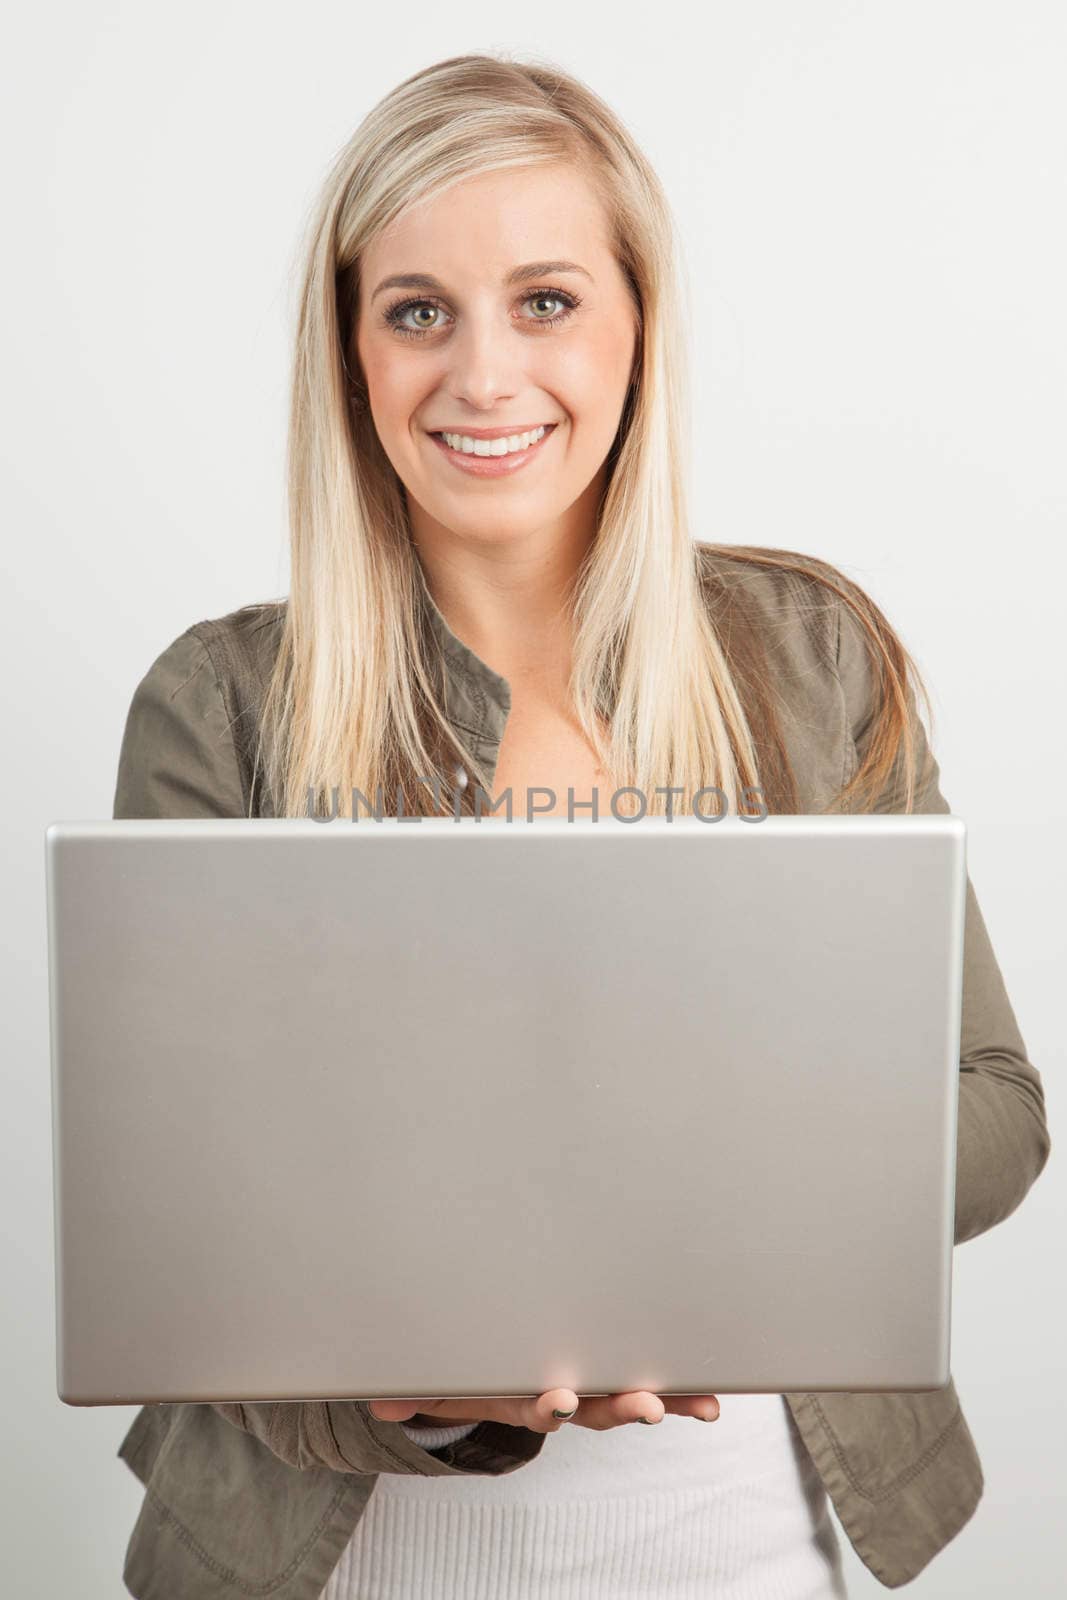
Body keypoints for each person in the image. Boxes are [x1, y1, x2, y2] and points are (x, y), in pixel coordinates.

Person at [112, 51, 1050, 1600]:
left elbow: (996, 1110)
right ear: (351, 353)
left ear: (637, 329)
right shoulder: (219, 706)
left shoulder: (810, 655)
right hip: (344, 1563)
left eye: (546, 300)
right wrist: (404, 1382)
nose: (484, 378)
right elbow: (169, 1244)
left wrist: (691, 1230)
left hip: (748, 1546)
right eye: (419, 310)